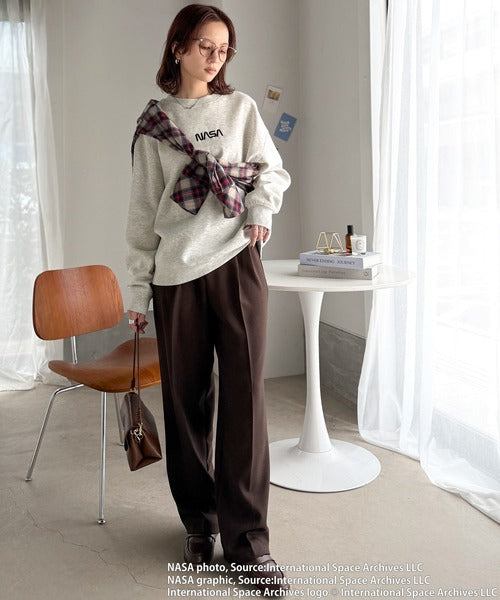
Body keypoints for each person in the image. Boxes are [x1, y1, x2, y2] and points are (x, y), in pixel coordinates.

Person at [125, 4, 290, 595]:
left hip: (236, 263)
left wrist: (260, 211)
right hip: (175, 275)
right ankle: (199, 522)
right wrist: (138, 287)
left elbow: (270, 172)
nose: (216, 57)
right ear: (178, 47)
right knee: (186, 402)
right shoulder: (155, 125)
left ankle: (250, 546)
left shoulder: (240, 109)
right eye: (205, 46)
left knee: (246, 402)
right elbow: (143, 212)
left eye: (224, 49)